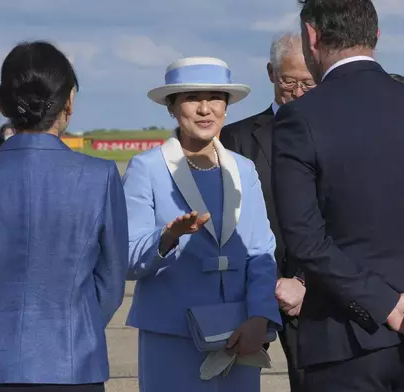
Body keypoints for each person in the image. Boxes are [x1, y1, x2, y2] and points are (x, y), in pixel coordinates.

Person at [271, 0, 404, 390]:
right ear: (376, 35)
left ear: (311, 36)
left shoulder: (300, 117)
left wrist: (386, 306)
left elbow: (305, 239)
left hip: (345, 342)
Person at [0, 41, 128, 391]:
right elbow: (111, 283)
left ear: (3, 103)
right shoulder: (100, 176)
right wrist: (77, 324)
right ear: (69, 101)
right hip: (75, 364)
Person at [123, 56, 282, 391]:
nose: (205, 108)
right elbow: (127, 256)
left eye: (215, 98)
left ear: (226, 107)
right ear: (171, 107)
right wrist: (166, 238)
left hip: (239, 334)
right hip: (171, 335)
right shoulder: (146, 169)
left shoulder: (244, 169)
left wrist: (260, 316)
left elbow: (261, 251)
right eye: (192, 98)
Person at [220, 31, 312, 392]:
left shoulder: (337, 135)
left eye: (309, 82)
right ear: (272, 73)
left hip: (313, 293)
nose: (299, 91)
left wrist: (305, 281)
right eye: (289, 81)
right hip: (250, 292)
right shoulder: (236, 138)